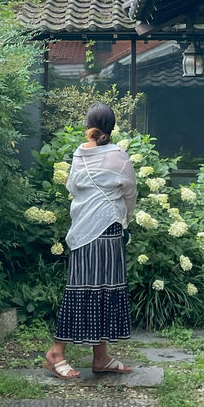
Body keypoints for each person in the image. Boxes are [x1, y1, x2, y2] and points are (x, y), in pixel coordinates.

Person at [44, 103, 138, 379]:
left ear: (88, 126)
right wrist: (126, 218)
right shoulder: (119, 156)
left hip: (83, 230)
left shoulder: (79, 154)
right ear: (112, 127)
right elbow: (130, 191)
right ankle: (55, 353)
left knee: (86, 288)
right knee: (97, 290)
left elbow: (72, 187)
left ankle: (101, 356)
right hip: (108, 231)